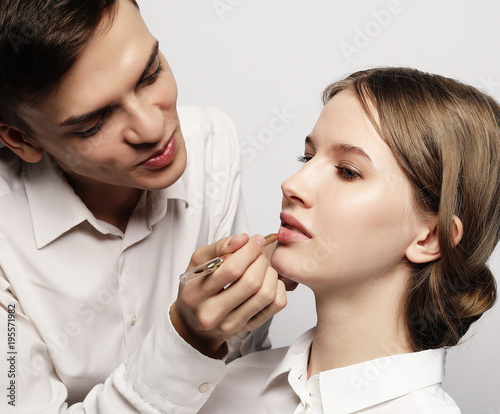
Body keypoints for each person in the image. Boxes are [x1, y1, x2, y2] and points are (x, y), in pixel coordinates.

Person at [0, 0, 285, 412]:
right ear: (22, 140)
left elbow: (241, 371)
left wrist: (244, 303)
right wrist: (188, 339)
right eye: (94, 123)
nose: (153, 129)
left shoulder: (212, 147)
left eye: (150, 74)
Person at [197, 67, 500, 413]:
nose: (292, 184)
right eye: (307, 158)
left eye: (347, 171)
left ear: (431, 237)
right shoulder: (227, 385)